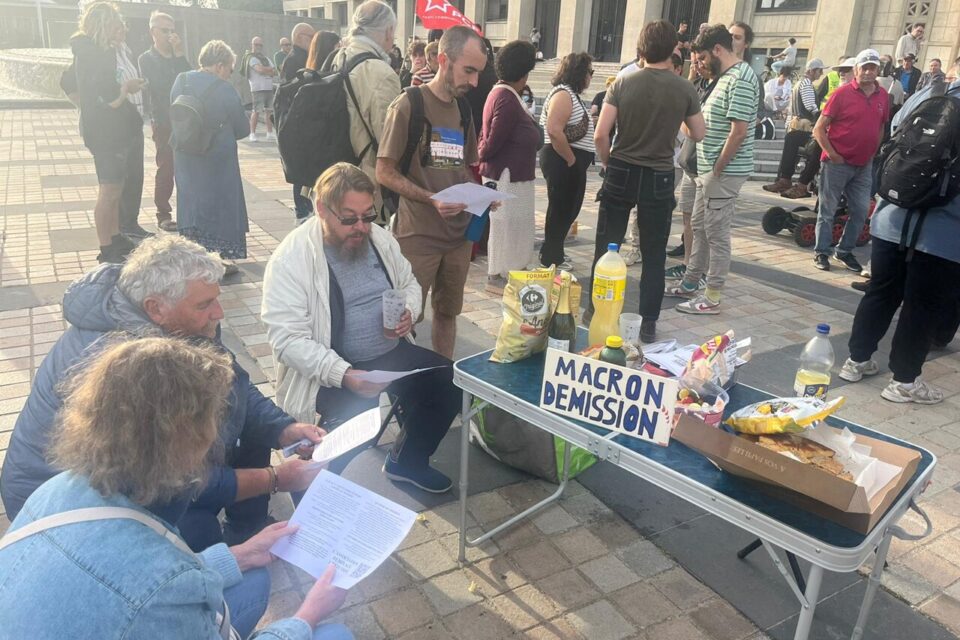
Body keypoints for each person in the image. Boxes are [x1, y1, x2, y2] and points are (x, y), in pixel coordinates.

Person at [0, 338, 353, 639]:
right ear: (187, 440)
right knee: (334, 634)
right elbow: (152, 588)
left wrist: (238, 554)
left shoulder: (56, 488)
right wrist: (307, 615)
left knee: (254, 576)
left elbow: (134, 580)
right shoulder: (164, 585)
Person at [0, 235, 326, 551]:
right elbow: (171, 482)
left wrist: (284, 428)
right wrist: (275, 479)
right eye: (204, 304)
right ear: (155, 308)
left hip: (128, 478)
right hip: (63, 510)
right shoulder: (135, 367)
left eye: (216, 298)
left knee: (246, 427)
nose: (219, 313)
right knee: (198, 535)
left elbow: (234, 387)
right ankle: (214, 572)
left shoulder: (179, 324)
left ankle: (246, 530)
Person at [262, 163, 460, 492]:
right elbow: (287, 341)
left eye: (368, 216)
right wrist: (345, 375)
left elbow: (409, 281)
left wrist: (410, 309)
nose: (362, 227)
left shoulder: (379, 238)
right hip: (333, 369)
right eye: (349, 218)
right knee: (344, 438)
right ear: (321, 209)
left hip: (389, 355)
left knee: (450, 381)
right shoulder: (292, 259)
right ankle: (311, 501)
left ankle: (406, 461)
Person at [838, 74, 960, 404]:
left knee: (881, 291)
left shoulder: (926, 97)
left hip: (891, 218)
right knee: (921, 307)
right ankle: (904, 382)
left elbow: (893, 143)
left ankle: (856, 361)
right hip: (943, 232)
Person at [376, 26, 489, 359]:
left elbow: (466, 167)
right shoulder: (409, 104)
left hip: (458, 238)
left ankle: (443, 377)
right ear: (443, 60)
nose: (474, 81)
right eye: (468, 70)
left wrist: (482, 198)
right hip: (417, 236)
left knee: (448, 312)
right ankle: (404, 387)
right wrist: (430, 199)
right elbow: (384, 171)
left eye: (478, 72)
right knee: (405, 320)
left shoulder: (464, 110)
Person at [592, 20, 704, 342]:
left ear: (641, 48)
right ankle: (648, 322)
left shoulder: (623, 82)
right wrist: (673, 122)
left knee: (606, 245)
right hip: (659, 174)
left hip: (622, 168)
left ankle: (597, 311)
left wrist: (606, 161)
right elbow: (698, 132)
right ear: (673, 49)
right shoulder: (684, 87)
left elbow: (601, 133)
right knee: (654, 254)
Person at [667, 24, 758, 315]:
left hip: (722, 173)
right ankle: (692, 281)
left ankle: (713, 296)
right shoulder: (725, 77)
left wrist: (718, 168)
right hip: (706, 172)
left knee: (717, 234)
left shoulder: (741, 77)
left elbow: (739, 131)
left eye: (703, 58)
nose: (701, 64)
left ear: (718, 49)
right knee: (699, 228)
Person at [70, 1, 148, 264]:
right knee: (109, 189)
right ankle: (107, 247)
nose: (120, 27)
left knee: (117, 186)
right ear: (103, 24)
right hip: (105, 132)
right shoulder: (90, 52)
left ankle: (115, 236)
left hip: (117, 129)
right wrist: (124, 90)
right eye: (116, 23)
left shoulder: (100, 50)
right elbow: (104, 96)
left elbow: (72, 84)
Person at [172, 40, 251, 271]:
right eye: (230, 68)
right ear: (219, 65)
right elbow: (243, 128)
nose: (229, 74)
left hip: (185, 152)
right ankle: (216, 260)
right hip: (217, 158)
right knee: (220, 204)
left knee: (191, 201)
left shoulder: (181, 80)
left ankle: (193, 257)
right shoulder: (224, 88)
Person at [811, 49, 888, 273]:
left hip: (863, 165)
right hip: (837, 164)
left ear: (877, 70)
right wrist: (833, 154)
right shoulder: (841, 94)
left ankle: (843, 251)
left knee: (861, 210)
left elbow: (881, 125)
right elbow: (819, 129)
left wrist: (873, 151)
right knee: (828, 210)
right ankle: (821, 252)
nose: (867, 71)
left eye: (872, 67)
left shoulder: (882, 95)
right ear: (856, 70)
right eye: (864, 67)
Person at [329, 0, 402, 221]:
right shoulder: (381, 72)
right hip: (365, 185)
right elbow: (389, 141)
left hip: (334, 174)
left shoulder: (338, 58)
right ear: (388, 31)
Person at [478, 40, 541, 294]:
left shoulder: (505, 94)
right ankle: (499, 276)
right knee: (506, 227)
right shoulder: (505, 97)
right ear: (523, 73)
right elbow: (490, 143)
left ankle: (511, 273)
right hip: (507, 178)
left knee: (515, 227)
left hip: (515, 177)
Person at [538, 52, 596, 271]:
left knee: (568, 208)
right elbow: (554, 130)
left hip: (568, 159)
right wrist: (572, 160)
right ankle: (550, 258)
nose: (590, 77)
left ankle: (556, 251)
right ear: (579, 72)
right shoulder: (563, 94)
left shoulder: (572, 95)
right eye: (589, 72)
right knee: (561, 208)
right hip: (562, 158)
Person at [137, 11, 189, 233]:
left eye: (172, 30)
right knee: (166, 166)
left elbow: (189, 80)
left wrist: (179, 55)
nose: (169, 35)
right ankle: (163, 213)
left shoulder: (178, 57)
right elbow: (160, 86)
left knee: (187, 167)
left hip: (185, 120)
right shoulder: (146, 58)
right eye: (164, 30)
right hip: (163, 120)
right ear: (153, 32)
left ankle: (188, 211)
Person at [781, 56, 855, 200]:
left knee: (819, 145)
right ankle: (785, 179)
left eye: (846, 70)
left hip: (841, 139)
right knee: (793, 137)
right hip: (825, 130)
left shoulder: (853, 94)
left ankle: (802, 185)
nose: (842, 74)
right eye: (841, 71)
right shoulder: (840, 91)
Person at [763, 58, 824, 194]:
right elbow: (810, 106)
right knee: (796, 145)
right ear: (813, 71)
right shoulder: (807, 84)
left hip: (796, 123)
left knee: (792, 145)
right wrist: (821, 116)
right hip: (805, 125)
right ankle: (785, 180)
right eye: (820, 71)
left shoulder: (799, 83)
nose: (821, 74)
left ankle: (785, 180)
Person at [243, 36, 277, 142]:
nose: (258, 47)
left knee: (269, 111)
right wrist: (268, 70)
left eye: (260, 45)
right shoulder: (251, 58)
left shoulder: (266, 59)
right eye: (256, 44)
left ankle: (269, 133)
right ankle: (252, 134)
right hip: (257, 88)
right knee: (256, 111)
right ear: (252, 45)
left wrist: (266, 70)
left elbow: (275, 71)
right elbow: (259, 70)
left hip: (268, 87)